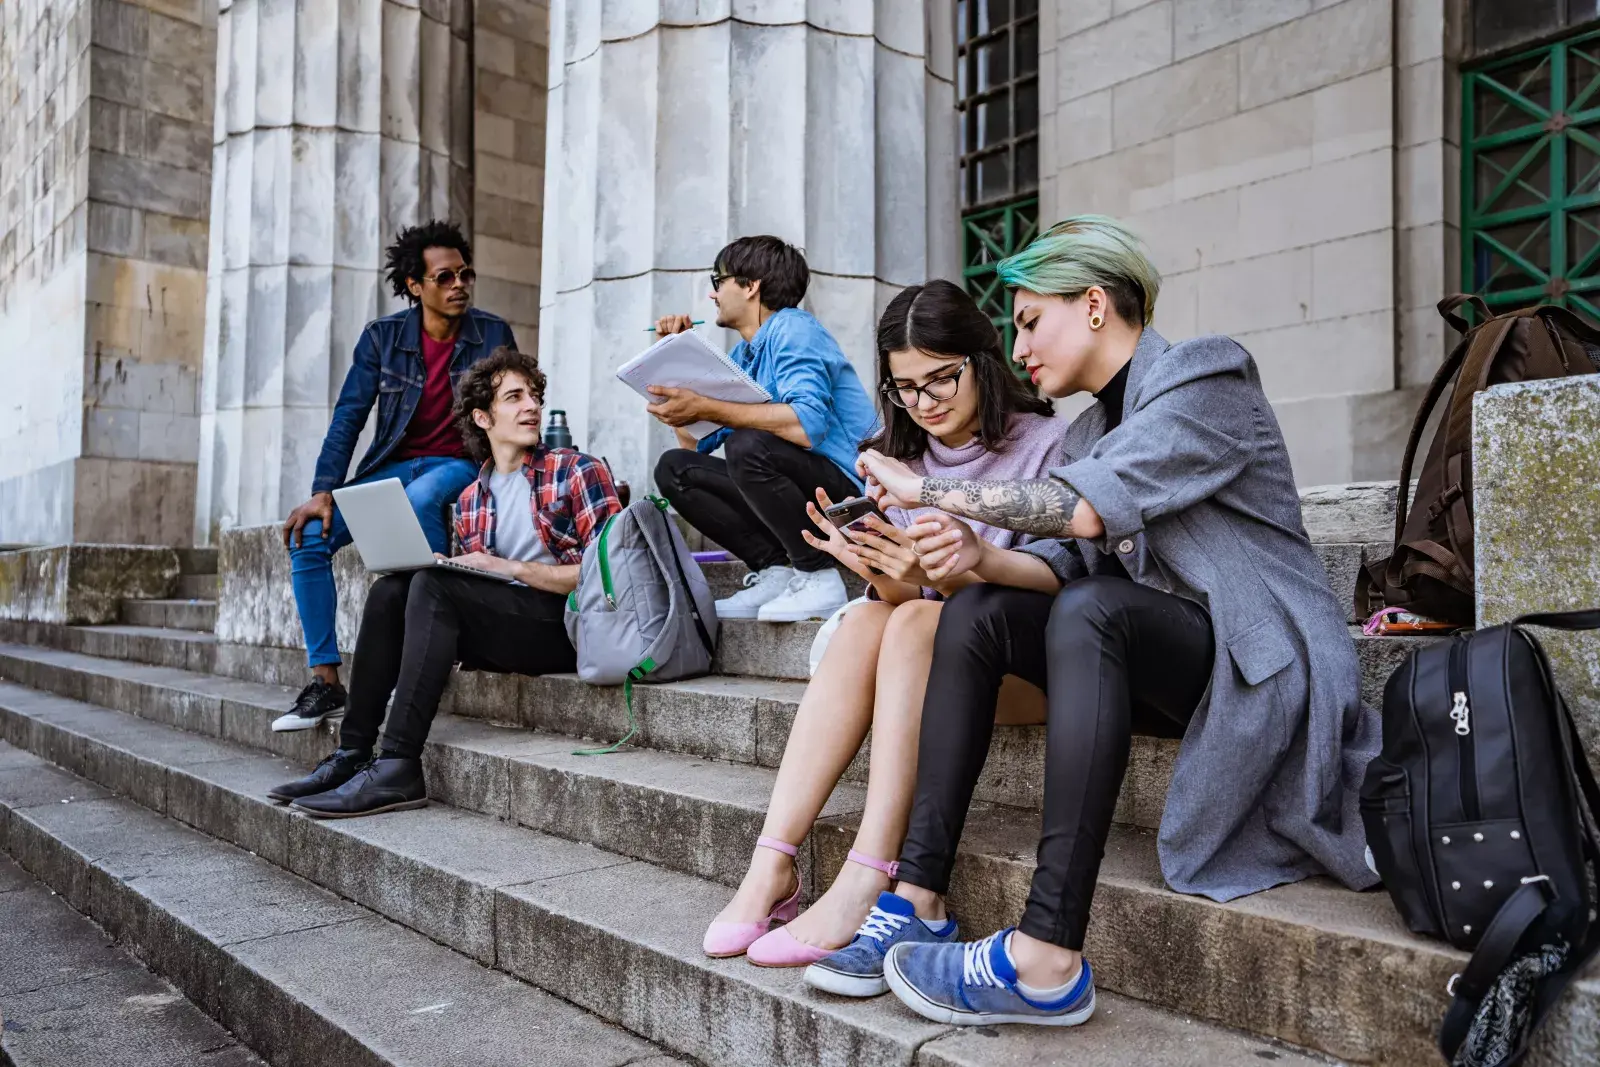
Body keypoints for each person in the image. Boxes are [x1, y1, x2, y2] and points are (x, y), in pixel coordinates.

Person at [851, 216, 1378, 1027]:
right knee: (984, 610)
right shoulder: (1092, 428)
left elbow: (1088, 514)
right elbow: (1061, 564)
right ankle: (918, 892)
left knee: (1093, 612)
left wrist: (928, 491)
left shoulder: (1207, 375)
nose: (1018, 349)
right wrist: (973, 560)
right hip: (1162, 660)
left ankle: (1048, 954)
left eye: (1030, 321)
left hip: (1262, 659)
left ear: (1094, 304)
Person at [701, 282, 1069, 994]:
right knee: (878, 613)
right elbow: (907, 606)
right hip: (931, 664)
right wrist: (881, 567)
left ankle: (871, 870)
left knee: (917, 617)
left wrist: (933, 583)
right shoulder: (898, 458)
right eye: (906, 388)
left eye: (942, 377)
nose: (926, 402)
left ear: (983, 360)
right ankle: (771, 862)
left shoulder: (1047, 446)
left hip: (1030, 668)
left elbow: (1047, 596)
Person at [266, 349, 621, 818]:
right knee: (394, 589)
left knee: (434, 587)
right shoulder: (474, 496)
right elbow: (474, 591)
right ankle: (353, 754)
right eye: (514, 397)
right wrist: (453, 567)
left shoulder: (576, 470)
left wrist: (509, 568)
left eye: (533, 395)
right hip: (506, 627)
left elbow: (613, 573)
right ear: (482, 417)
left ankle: (397, 766)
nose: (531, 406)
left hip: (567, 625)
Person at [274, 221, 517, 733]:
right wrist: (324, 493)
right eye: (445, 276)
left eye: (465, 274)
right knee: (309, 535)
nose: (459, 285)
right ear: (414, 285)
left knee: (424, 496)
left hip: (460, 463)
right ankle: (326, 681)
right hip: (391, 466)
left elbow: (514, 407)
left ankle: (425, 648)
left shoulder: (491, 334)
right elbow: (349, 417)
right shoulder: (383, 338)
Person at [650, 236, 877, 622]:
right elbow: (696, 444)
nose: (712, 293)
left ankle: (818, 576)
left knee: (748, 444)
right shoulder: (745, 355)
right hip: (806, 491)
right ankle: (777, 569)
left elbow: (808, 426)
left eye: (718, 280)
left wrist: (708, 405)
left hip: (853, 499)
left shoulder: (794, 328)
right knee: (675, 469)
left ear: (751, 285)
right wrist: (674, 360)